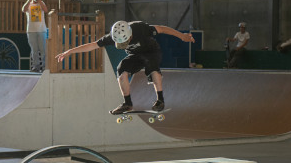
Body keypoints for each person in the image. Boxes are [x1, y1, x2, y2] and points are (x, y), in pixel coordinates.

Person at [56, 20, 195, 114]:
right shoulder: (112, 36)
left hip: (151, 52)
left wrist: (182, 36)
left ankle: (160, 100)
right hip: (135, 55)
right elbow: (92, 45)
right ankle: (127, 103)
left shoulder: (140, 28)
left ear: (130, 35)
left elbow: (163, 29)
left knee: (152, 69)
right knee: (121, 71)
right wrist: (70, 51)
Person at [22, 0, 48, 72]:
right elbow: (23, 9)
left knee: (43, 49)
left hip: (41, 30)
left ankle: (44, 67)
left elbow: (46, 10)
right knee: (34, 50)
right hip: (31, 30)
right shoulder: (29, 4)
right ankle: (35, 67)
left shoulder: (41, 3)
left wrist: (39, 0)